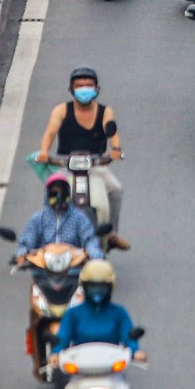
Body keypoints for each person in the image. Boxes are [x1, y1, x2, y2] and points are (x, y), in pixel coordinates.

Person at [34, 67, 130, 251]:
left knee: (116, 190)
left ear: (96, 88)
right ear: (71, 89)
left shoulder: (105, 111)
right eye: (79, 86)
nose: (84, 88)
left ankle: (112, 235)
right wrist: (44, 152)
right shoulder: (61, 110)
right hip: (64, 165)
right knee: (52, 192)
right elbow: (50, 133)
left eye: (88, 85)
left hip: (95, 165)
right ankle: (47, 235)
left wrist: (116, 150)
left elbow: (113, 133)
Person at [50, 259, 145, 366]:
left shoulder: (119, 313)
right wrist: (56, 353)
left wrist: (135, 351)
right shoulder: (72, 314)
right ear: (84, 287)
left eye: (102, 287)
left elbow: (128, 337)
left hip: (111, 369)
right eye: (92, 287)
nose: (97, 291)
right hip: (81, 367)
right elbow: (63, 337)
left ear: (110, 287)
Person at [15, 173, 104, 263]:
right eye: (54, 194)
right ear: (47, 195)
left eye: (63, 193)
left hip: (73, 270)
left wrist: (94, 253)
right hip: (42, 270)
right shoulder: (38, 219)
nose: (59, 198)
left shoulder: (79, 218)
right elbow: (27, 240)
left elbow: (89, 239)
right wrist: (22, 254)